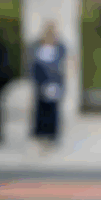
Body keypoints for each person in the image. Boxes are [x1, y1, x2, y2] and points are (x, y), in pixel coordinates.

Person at [30, 21, 68, 153]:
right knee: (41, 109)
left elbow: (63, 63)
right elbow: (32, 64)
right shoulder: (36, 46)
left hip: (55, 83)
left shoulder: (60, 47)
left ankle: (52, 136)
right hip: (41, 83)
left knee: (54, 110)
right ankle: (41, 135)